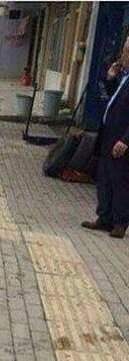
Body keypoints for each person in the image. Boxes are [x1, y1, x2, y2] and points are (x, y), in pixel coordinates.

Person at [82, 36, 129, 239]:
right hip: (108, 135)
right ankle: (104, 217)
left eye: (126, 51)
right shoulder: (123, 77)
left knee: (120, 181)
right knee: (105, 178)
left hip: (121, 139)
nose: (123, 54)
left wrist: (126, 140)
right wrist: (110, 78)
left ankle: (120, 222)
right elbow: (111, 100)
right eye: (124, 50)